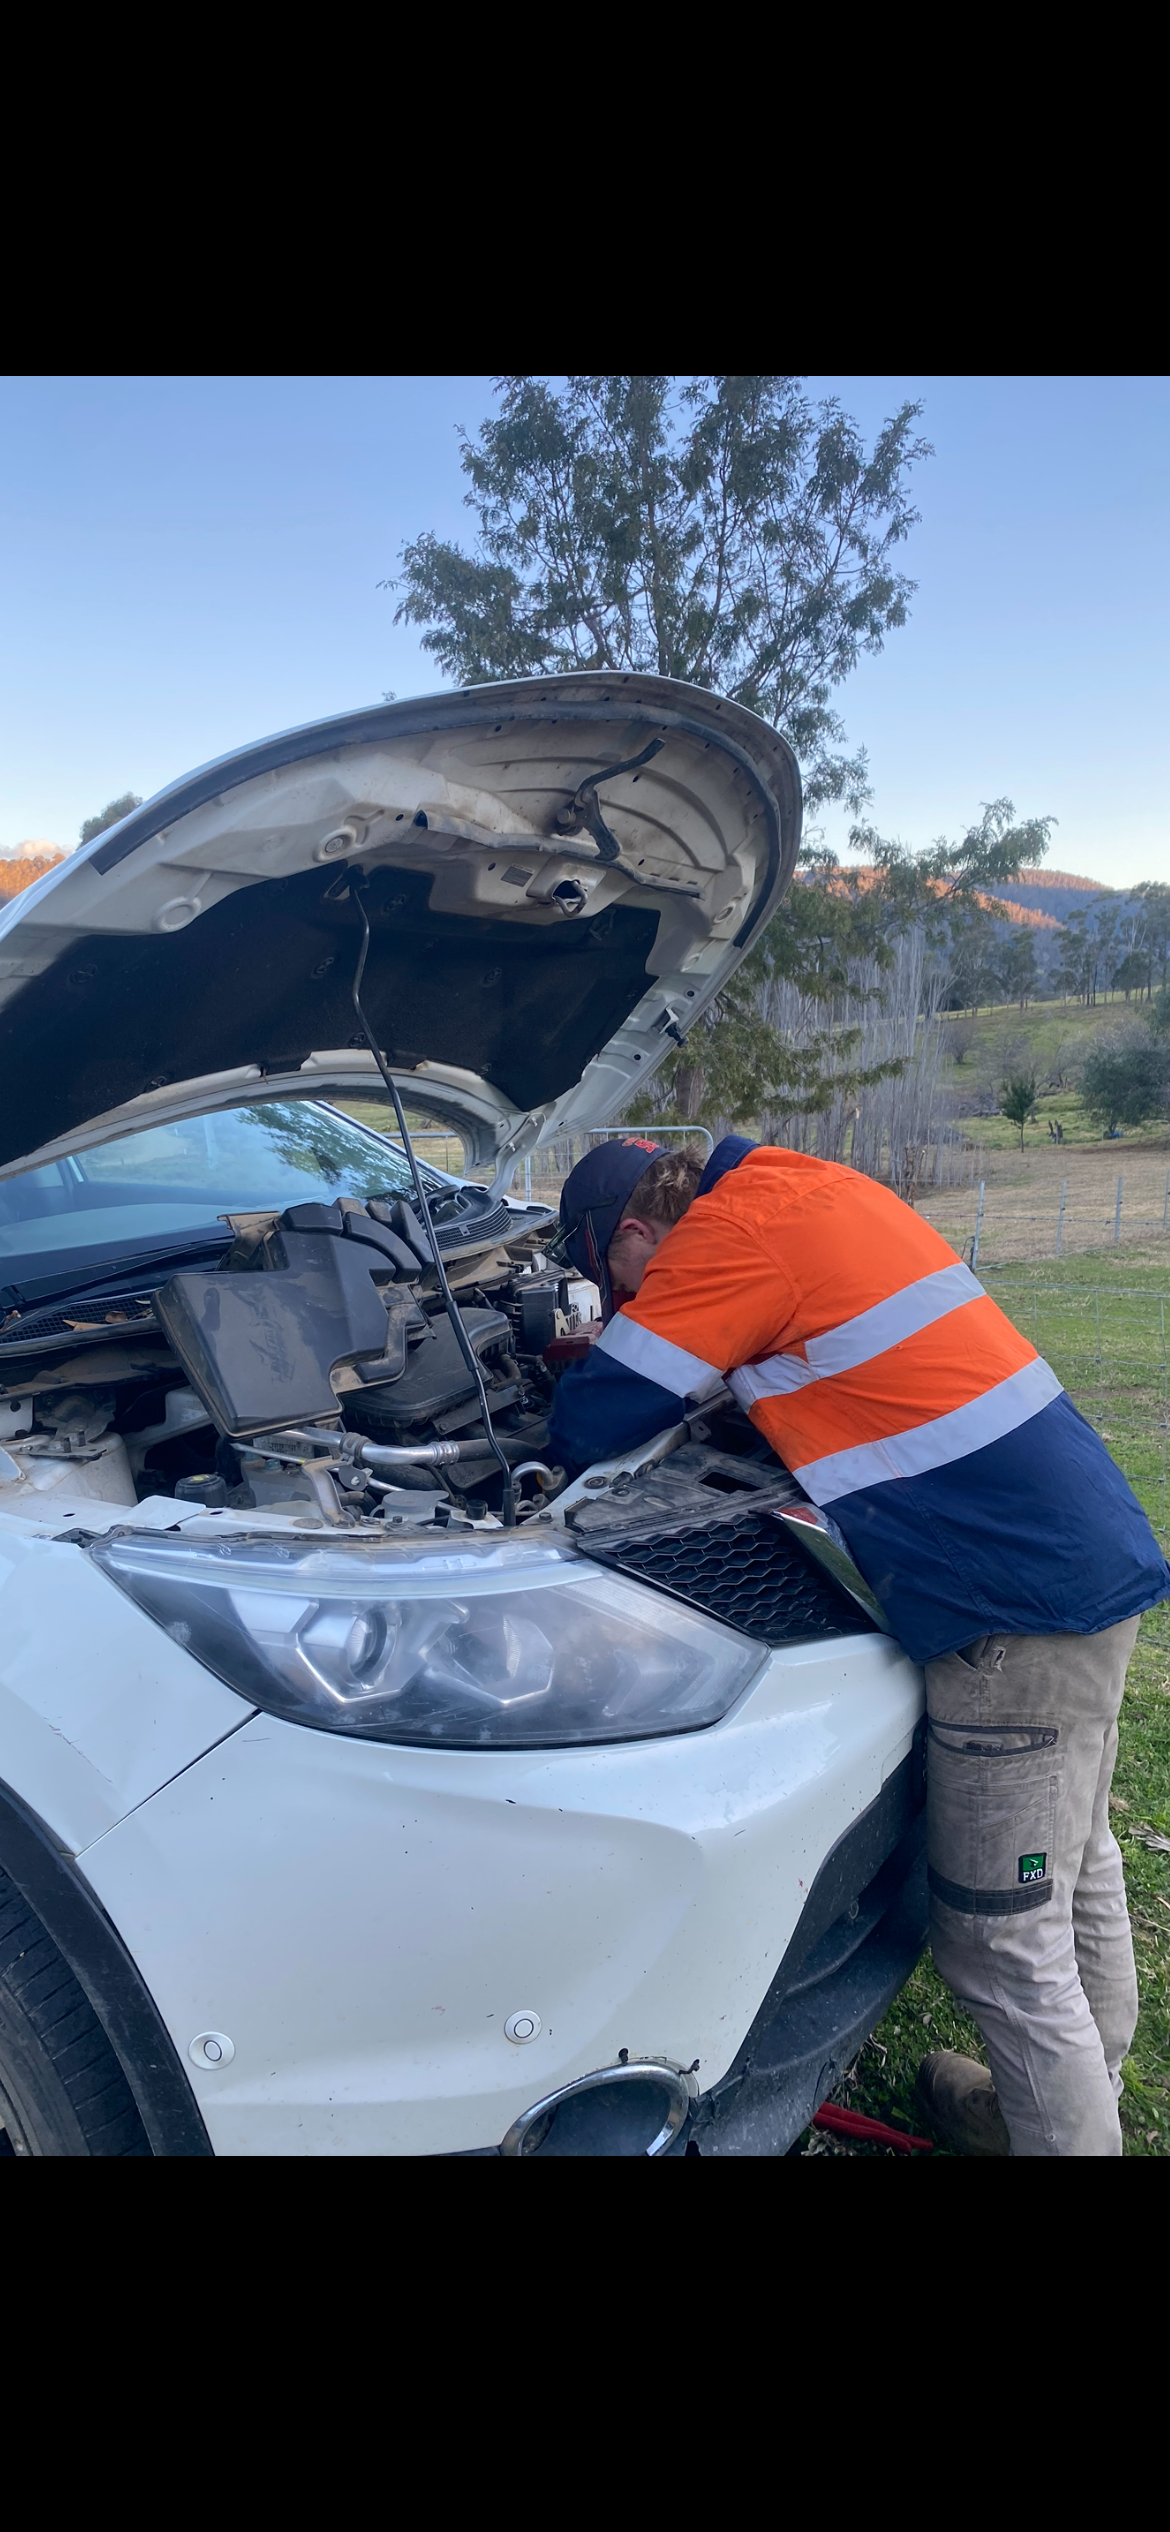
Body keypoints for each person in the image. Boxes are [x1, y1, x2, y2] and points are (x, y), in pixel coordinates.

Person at [550, 1135, 1169, 2157]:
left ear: (632, 1235)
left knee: (1001, 1937)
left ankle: (1062, 2127)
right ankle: (1062, 2100)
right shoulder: (807, 1192)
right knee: (1076, 1856)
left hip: (1011, 1611)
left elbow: (598, 1415)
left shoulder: (722, 1237)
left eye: (607, 1279)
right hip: (1080, 1561)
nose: (619, 1302)